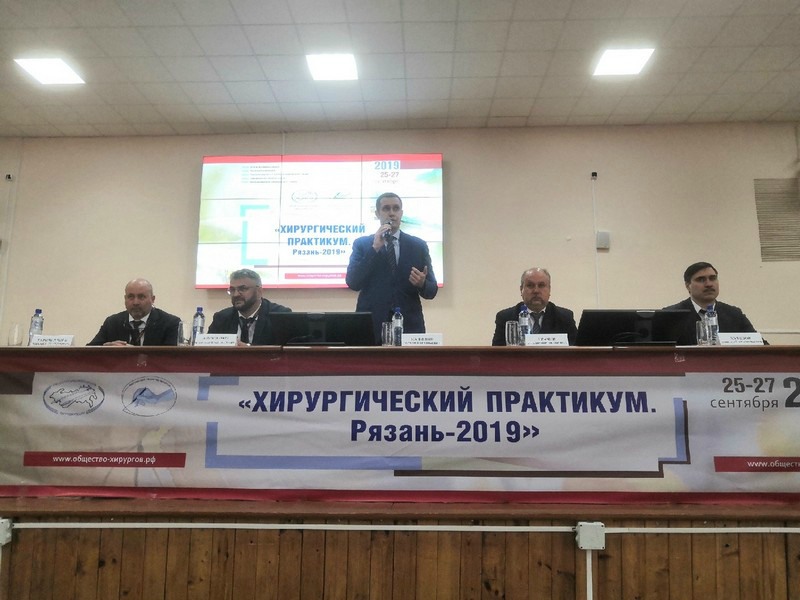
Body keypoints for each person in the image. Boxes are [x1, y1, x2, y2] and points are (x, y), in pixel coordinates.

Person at [346, 192, 438, 343]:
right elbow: (353, 282)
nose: (391, 213)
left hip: (409, 326)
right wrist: (374, 248)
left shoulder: (418, 246)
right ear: (377, 214)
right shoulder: (362, 244)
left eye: (396, 208)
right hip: (371, 325)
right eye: (386, 209)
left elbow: (432, 291)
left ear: (401, 213)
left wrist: (422, 284)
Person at [663, 261, 759, 345]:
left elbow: (760, 345)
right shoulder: (670, 315)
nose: (709, 284)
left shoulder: (734, 315)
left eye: (713, 278)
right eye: (701, 280)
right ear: (688, 286)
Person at [492, 267, 578, 346]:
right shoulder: (505, 317)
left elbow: (576, 352)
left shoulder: (564, 317)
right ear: (521, 290)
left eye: (541, 285)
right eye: (530, 285)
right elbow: (496, 354)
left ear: (549, 290)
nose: (536, 291)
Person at [207, 268, 291, 345]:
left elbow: (289, 352)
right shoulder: (221, 318)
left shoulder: (281, 316)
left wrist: (250, 349)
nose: (236, 294)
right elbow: (208, 351)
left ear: (259, 291)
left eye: (243, 289)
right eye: (232, 290)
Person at [88, 278, 181, 346]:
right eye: (131, 297)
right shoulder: (112, 322)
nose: (135, 302)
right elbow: (89, 352)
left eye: (141, 297)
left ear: (152, 299)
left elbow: (171, 359)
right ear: (125, 299)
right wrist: (105, 348)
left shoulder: (171, 323)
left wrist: (133, 353)